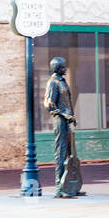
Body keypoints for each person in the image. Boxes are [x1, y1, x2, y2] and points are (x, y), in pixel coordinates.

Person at [42, 56, 82, 197]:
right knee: (61, 152)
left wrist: (72, 116)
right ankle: (60, 187)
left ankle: (71, 185)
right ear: (58, 68)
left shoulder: (63, 81)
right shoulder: (53, 82)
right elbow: (49, 104)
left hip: (68, 120)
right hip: (60, 121)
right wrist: (65, 115)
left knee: (71, 153)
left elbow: (67, 102)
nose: (65, 68)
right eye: (63, 66)